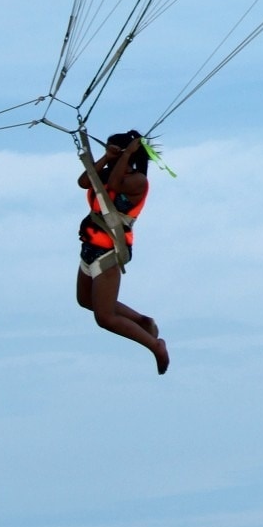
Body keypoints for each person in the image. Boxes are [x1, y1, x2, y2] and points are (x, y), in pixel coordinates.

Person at [76, 129, 169, 374]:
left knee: (104, 318)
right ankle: (142, 321)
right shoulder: (105, 174)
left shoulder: (138, 181)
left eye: (113, 151)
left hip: (108, 252)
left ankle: (155, 346)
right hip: (89, 248)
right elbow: (83, 182)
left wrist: (127, 153)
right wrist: (106, 158)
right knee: (85, 301)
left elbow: (117, 184)